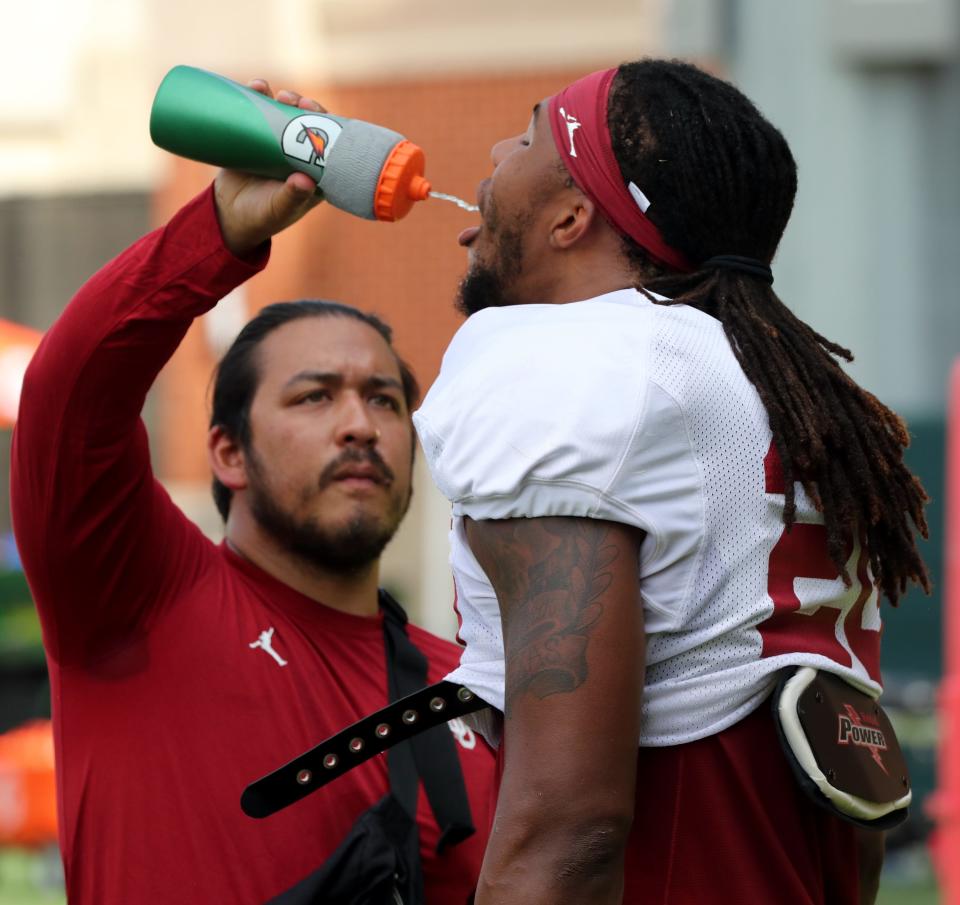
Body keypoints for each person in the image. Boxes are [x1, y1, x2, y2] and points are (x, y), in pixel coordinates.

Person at [412, 59, 931, 903]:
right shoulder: (777, 393)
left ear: (573, 216)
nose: (501, 150)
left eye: (533, 131)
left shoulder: (575, 362)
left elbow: (569, 823)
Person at [11, 82, 493, 904]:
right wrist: (219, 231)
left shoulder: (476, 691)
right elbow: (72, 396)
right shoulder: (135, 601)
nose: (360, 425)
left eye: (385, 399)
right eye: (315, 396)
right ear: (226, 452)